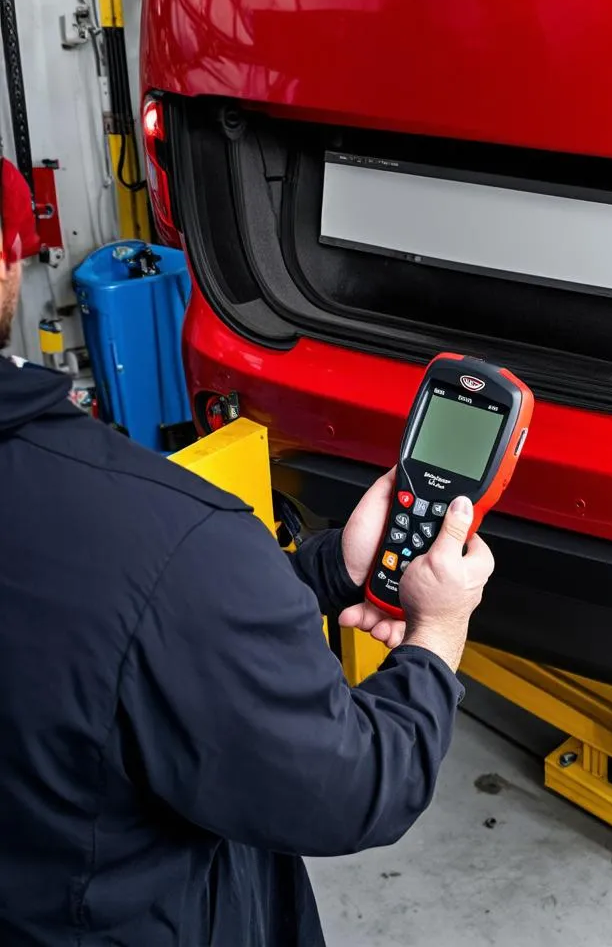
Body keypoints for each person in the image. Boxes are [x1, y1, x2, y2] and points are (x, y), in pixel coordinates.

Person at [0, 159, 495, 946]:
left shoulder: (163, 558)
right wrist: (436, 639)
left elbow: (115, 638)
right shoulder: (168, 538)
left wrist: (327, 573)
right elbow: (356, 786)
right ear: (9, 255)